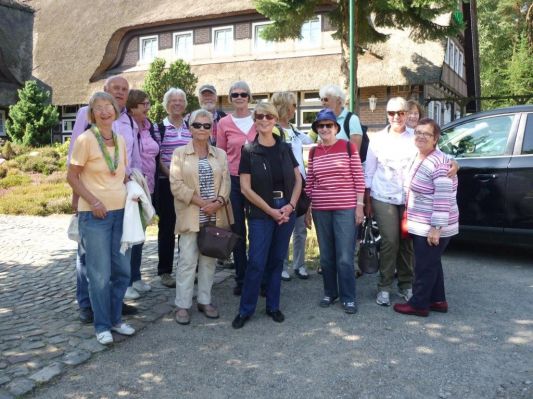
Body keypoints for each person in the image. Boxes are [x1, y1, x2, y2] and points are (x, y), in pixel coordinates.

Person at [364, 97, 458, 307]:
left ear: (407, 114)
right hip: (383, 196)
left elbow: (437, 154)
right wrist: (367, 200)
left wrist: (455, 163)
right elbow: (369, 171)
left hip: (409, 199)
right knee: (390, 241)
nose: (396, 117)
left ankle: (406, 284)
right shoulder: (377, 139)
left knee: (408, 243)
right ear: (386, 115)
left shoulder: (414, 137)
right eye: (391, 113)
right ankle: (384, 286)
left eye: (400, 112)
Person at [67, 75, 141, 322]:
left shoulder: (128, 122)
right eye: (115, 89)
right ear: (105, 91)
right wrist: (77, 198)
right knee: (89, 258)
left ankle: (112, 305)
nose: (120, 93)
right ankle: (88, 305)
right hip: (93, 203)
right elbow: (74, 162)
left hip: (120, 202)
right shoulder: (84, 117)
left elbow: (132, 159)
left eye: (124, 89)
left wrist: (137, 190)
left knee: (118, 261)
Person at [231, 102, 302, 329]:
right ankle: (246, 310)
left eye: (268, 116)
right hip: (262, 212)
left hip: (286, 209)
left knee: (276, 260)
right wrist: (271, 211)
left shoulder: (284, 147)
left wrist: (290, 206)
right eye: (259, 116)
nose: (264, 120)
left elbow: (298, 179)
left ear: (274, 119)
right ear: (255, 120)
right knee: (257, 263)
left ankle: (273, 306)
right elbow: (245, 188)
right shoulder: (249, 151)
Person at [169, 109, 232, 325]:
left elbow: (227, 182)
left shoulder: (220, 154)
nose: (202, 129)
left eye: (207, 125)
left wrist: (218, 203)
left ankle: (205, 300)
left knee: (209, 261)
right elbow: (176, 185)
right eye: (198, 125)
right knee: (187, 261)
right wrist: (202, 203)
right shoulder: (179, 153)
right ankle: (183, 305)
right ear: (190, 127)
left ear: (212, 128)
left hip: (215, 216)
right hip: (191, 215)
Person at [394, 118, 458, 317]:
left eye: (427, 134)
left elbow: (443, 196)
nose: (421, 136)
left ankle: (419, 304)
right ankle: (438, 300)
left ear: (435, 139)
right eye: (418, 132)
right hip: (422, 223)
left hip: (432, 225)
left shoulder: (439, 162)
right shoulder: (421, 156)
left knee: (423, 265)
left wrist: (436, 227)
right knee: (432, 262)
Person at [305, 109, 365, 314]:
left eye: (328, 125)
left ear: (336, 128)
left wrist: (359, 206)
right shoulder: (314, 152)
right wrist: (307, 208)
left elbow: (359, 178)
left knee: (345, 256)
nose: (324, 129)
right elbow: (310, 182)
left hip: (345, 209)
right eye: (320, 126)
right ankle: (330, 292)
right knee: (326, 256)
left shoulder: (347, 147)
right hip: (321, 209)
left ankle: (348, 297)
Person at [217, 81, 257, 296]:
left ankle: (259, 277)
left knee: (259, 229)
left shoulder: (258, 118)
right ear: (230, 98)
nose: (239, 97)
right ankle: (241, 278)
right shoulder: (223, 123)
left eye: (243, 94)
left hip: (258, 182)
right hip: (233, 180)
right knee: (238, 230)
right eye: (235, 94)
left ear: (249, 97)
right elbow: (220, 155)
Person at [271, 91, 313, 281]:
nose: (295, 109)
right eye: (293, 106)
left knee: (300, 228)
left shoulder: (294, 130)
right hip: (284, 186)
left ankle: (299, 264)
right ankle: (280, 266)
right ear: (284, 107)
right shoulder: (273, 130)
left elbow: (311, 140)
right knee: (283, 230)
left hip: (300, 185)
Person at [153, 88, 192, 288]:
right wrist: (174, 178)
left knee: (187, 227)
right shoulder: (159, 128)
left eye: (180, 101)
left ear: (185, 104)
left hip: (189, 186)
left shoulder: (191, 127)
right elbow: (157, 158)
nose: (177, 104)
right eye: (173, 101)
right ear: (166, 104)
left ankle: (186, 268)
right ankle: (165, 271)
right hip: (167, 184)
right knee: (167, 227)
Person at [123, 89, 159, 299]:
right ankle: (126, 282)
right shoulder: (126, 126)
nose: (148, 108)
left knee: (141, 235)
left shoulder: (149, 127)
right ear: (132, 107)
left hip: (148, 186)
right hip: (133, 187)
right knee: (130, 234)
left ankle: (136, 277)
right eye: (144, 104)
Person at [317, 84, 363, 150]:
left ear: (338, 100)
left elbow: (355, 154)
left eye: (326, 99)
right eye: (321, 100)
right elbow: (320, 149)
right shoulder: (322, 122)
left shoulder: (352, 120)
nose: (323, 103)